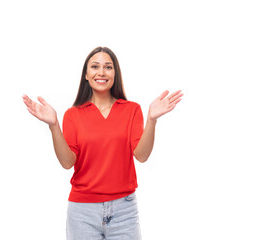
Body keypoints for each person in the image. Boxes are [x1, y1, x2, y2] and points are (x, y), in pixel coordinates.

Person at [22, 47, 183, 240]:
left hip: (124, 210)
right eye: (95, 66)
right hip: (82, 212)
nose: (101, 72)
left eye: (108, 67)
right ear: (86, 75)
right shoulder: (73, 115)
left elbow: (141, 156)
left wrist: (152, 120)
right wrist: (54, 125)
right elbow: (67, 163)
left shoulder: (131, 110)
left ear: (115, 74)